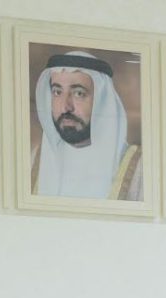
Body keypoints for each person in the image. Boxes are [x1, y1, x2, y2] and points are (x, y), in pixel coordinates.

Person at [31, 50, 143, 201]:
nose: (65, 107)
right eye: (57, 92)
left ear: (102, 102)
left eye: (78, 93)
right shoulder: (35, 160)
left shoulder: (137, 168)